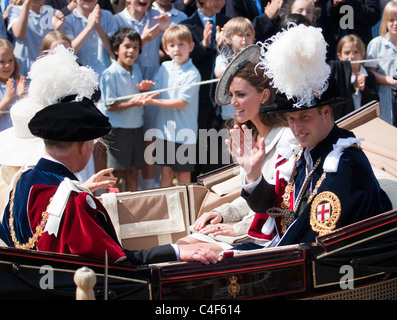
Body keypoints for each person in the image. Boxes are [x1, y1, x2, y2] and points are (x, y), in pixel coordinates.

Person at [0, 46, 220, 266]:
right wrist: (177, 250)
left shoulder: (20, 181)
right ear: (83, 146)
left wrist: (79, 189)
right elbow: (115, 263)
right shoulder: (74, 201)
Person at [230, 24, 392, 247]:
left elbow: (313, 234)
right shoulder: (302, 155)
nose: (297, 128)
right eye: (291, 119)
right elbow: (275, 208)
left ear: (326, 112)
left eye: (304, 117)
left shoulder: (344, 161)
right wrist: (253, 175)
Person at [176, 45, 296, 251]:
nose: (233, 102)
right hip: (249, 228)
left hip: (270, 236)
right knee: (184, 243)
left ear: (264, 95)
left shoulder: (288, 139)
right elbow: (251, 195)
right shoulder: (248, 137)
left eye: (240, 94)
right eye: (231, 95)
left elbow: (284, 205)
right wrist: (223, 213)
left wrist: (238, 228)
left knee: (187, 249)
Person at [114, 0, 170, 190]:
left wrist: (166, 29)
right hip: (128, 80)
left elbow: (175, 42)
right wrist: (143, 40)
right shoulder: (117, 20)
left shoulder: (156, 16)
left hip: (152, 82)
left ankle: (149, 188)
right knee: (129, 135)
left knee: (150, 137)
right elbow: (115, 54)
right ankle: (125, 190)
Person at [138, 24, 200, 187]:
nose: (176, 49)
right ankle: (168, 211)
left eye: (181, 44)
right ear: (165, 49)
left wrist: (152, 101)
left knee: (183, 176)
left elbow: (180, 103)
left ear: (191, 46)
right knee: (165, 173)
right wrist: (147, 90)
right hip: (164, 132)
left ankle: (187, 211)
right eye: (172, 45)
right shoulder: (164, 67)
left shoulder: (192, 73)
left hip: (184, 133)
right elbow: (157, 90)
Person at [99, 28, 154, 191]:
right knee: (116, 174)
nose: (132, 51)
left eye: (136, 47)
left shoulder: (136, 70)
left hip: (136, 128)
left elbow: (138, 97)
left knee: (133, 172)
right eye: (127, 46)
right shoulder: (110, 74)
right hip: (118, 130)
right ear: (116, 49)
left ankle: (133, 210)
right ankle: (113, 209)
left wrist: (144, 91)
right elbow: (111, 105)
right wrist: (135, 101)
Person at [180, 0, 230, 179]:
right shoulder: (186, 25)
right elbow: (182, 60)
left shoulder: (228, 23)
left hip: (222, 99)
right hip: (196, 98)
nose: (220, 2)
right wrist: (203, 46)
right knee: (195, 145)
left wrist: (221, 45)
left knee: (219, 149)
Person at [61, 0, 118, 80]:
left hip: (106, 76)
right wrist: (89, 27)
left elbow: (114, 53)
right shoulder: (68, 21)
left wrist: (99, 28)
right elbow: (69, 52)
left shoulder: (107, 16)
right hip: (81, 79)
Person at [214, 17, 255, 122]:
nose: (244, 39)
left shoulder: (256, 59)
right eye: (240, 35)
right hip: (232, 117)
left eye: (248, 35)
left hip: (252, 115)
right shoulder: (223, 58)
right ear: (228, 38)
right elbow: (219, 70)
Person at [365, 1, 397, 126]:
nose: (395, 24)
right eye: (391, 20)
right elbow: (370, 71)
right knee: (389, 125)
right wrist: (389, 80)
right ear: (385, 22)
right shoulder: (376, 44)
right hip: (385, 94)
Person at [7, 0, 58, 76]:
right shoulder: (15, 10)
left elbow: (56, 41)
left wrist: (58, 27)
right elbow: (19, 35)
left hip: (44, 66)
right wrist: (27, 5)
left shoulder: (51, 12)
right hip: (22, 66)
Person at [334, 34, 378, 115]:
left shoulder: (369, 76)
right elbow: (338, 101)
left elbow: (375, 101)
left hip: (365, 121)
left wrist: (363, 89)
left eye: (356, 52)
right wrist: (354, 86)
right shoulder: (337, 76)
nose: (351, 57)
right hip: (345, 122)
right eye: (347, 53)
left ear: (362, 54)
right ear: (340, 56)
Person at [0, 39, 25, 132]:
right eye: (2, 61)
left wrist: (22, 97)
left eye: (10, 60)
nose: (7, 65)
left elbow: (28, 112)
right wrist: (7, 99)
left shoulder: (20, 82)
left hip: (17, 135)